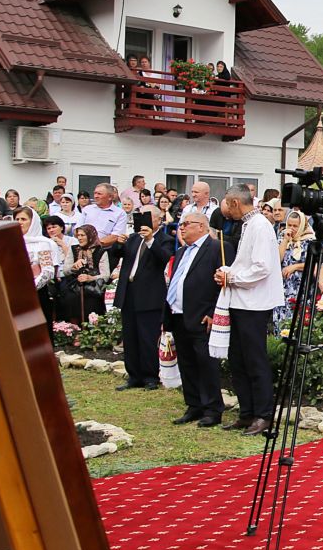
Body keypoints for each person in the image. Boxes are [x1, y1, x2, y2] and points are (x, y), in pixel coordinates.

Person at [214, 184, 282, 435]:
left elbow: (261, 267)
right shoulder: (248, 224)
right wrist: (228, 272)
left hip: (255, 303)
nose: (225, 211)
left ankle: (264, 414)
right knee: (238, 360)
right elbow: (247, 264)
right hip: (241, 301)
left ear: (234, 203)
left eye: (226, 204)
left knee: (255, 360)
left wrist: (232, 277)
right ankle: (247, 412)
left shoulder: (261, 226)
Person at [165, 211, 225, 427]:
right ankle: (194, 404)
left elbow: (223, 282)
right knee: (187, 362)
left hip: (203, 316)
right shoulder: (182, 252)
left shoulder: (216, 248)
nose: (181, 227)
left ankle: (212, 408)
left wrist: (214, 312)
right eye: (181, 224)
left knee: (206, 363)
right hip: (179, 313)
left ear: (201, 226)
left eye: (186, 224)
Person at [113, 205, 174, 391]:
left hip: (149, 295)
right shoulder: (133, 239)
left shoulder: (165, 240)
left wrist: (150, 240)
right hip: (129, 292)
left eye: (147, 217)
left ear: (157, 220)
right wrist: (118, 243)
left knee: (147, 337)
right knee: (130, 336)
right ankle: (134, 375)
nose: (143, 221)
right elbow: (117, 255)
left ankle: (150, 376)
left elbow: (165, 258)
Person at [274, 210, 314, 329]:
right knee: (281, 321)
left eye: (295, 226)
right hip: (283, 288)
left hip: (300, 287)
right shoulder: (283, 238)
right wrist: (286, 240)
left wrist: (295, 267)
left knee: (296, 322)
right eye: (289, 225)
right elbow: (277, 259)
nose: (292, 228)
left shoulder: (309, 241)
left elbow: (313, 263)